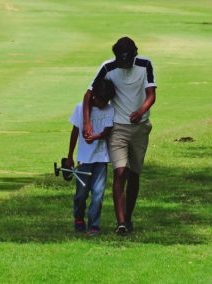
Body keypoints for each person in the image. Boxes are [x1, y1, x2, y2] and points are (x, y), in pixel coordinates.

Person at [82, 37, 157, 236]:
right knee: (120, 172)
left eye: (127, 60)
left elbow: (151, 94)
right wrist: (87, 123)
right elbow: (89, 94)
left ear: (134, 55)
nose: (124, 65)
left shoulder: (145, 64)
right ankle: (121, 222)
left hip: (140, 128)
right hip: (117, 128)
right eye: (121, 61)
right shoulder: (108, 67)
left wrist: (141, 111)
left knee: (134, 174)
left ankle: (128, 218)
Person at [67, 79, 115, 236]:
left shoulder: (109, 109)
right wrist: (69, 156)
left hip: (101, 158)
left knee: (98, 194)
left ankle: (94, 225)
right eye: (101, 100)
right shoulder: (80, 109)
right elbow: (74, 132)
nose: (103, 104)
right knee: (81, 194)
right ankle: (78, 219)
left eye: (106, 101)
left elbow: (107, 131)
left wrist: (95, 137)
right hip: (84, 159)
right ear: (93, 96)